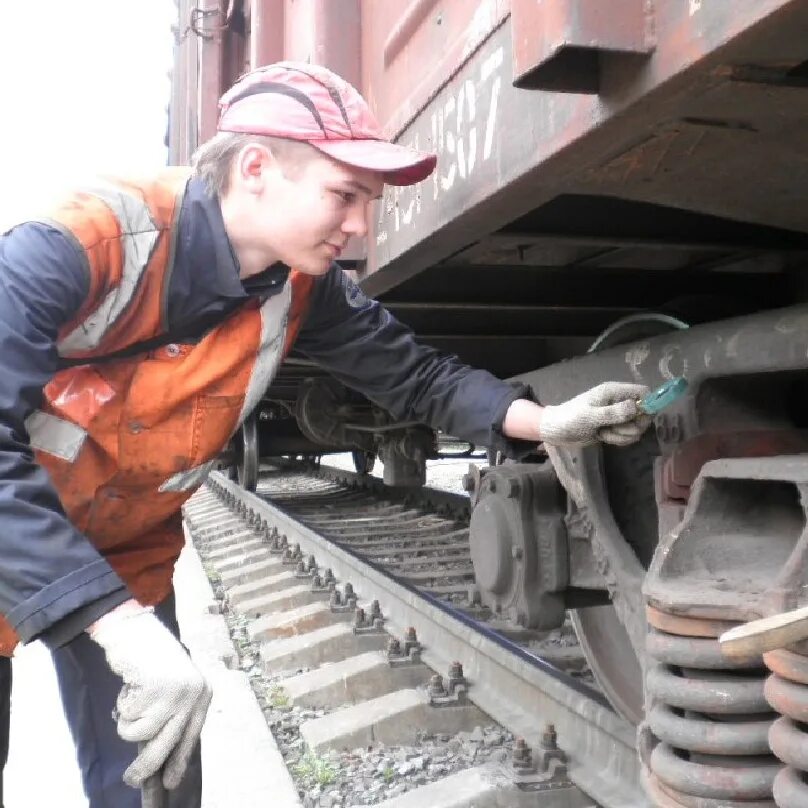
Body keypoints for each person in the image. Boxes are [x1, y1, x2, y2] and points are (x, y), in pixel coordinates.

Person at [0, 61, 651, 807]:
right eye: (344, 196)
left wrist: (547, 423)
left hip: (124, 551)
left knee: (154, 783)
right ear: (256, 169)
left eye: (367, 203)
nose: (360, 228)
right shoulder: (82, 244)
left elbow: (417, 377)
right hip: (18, 529)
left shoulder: (303, 285)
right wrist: (109, 620)